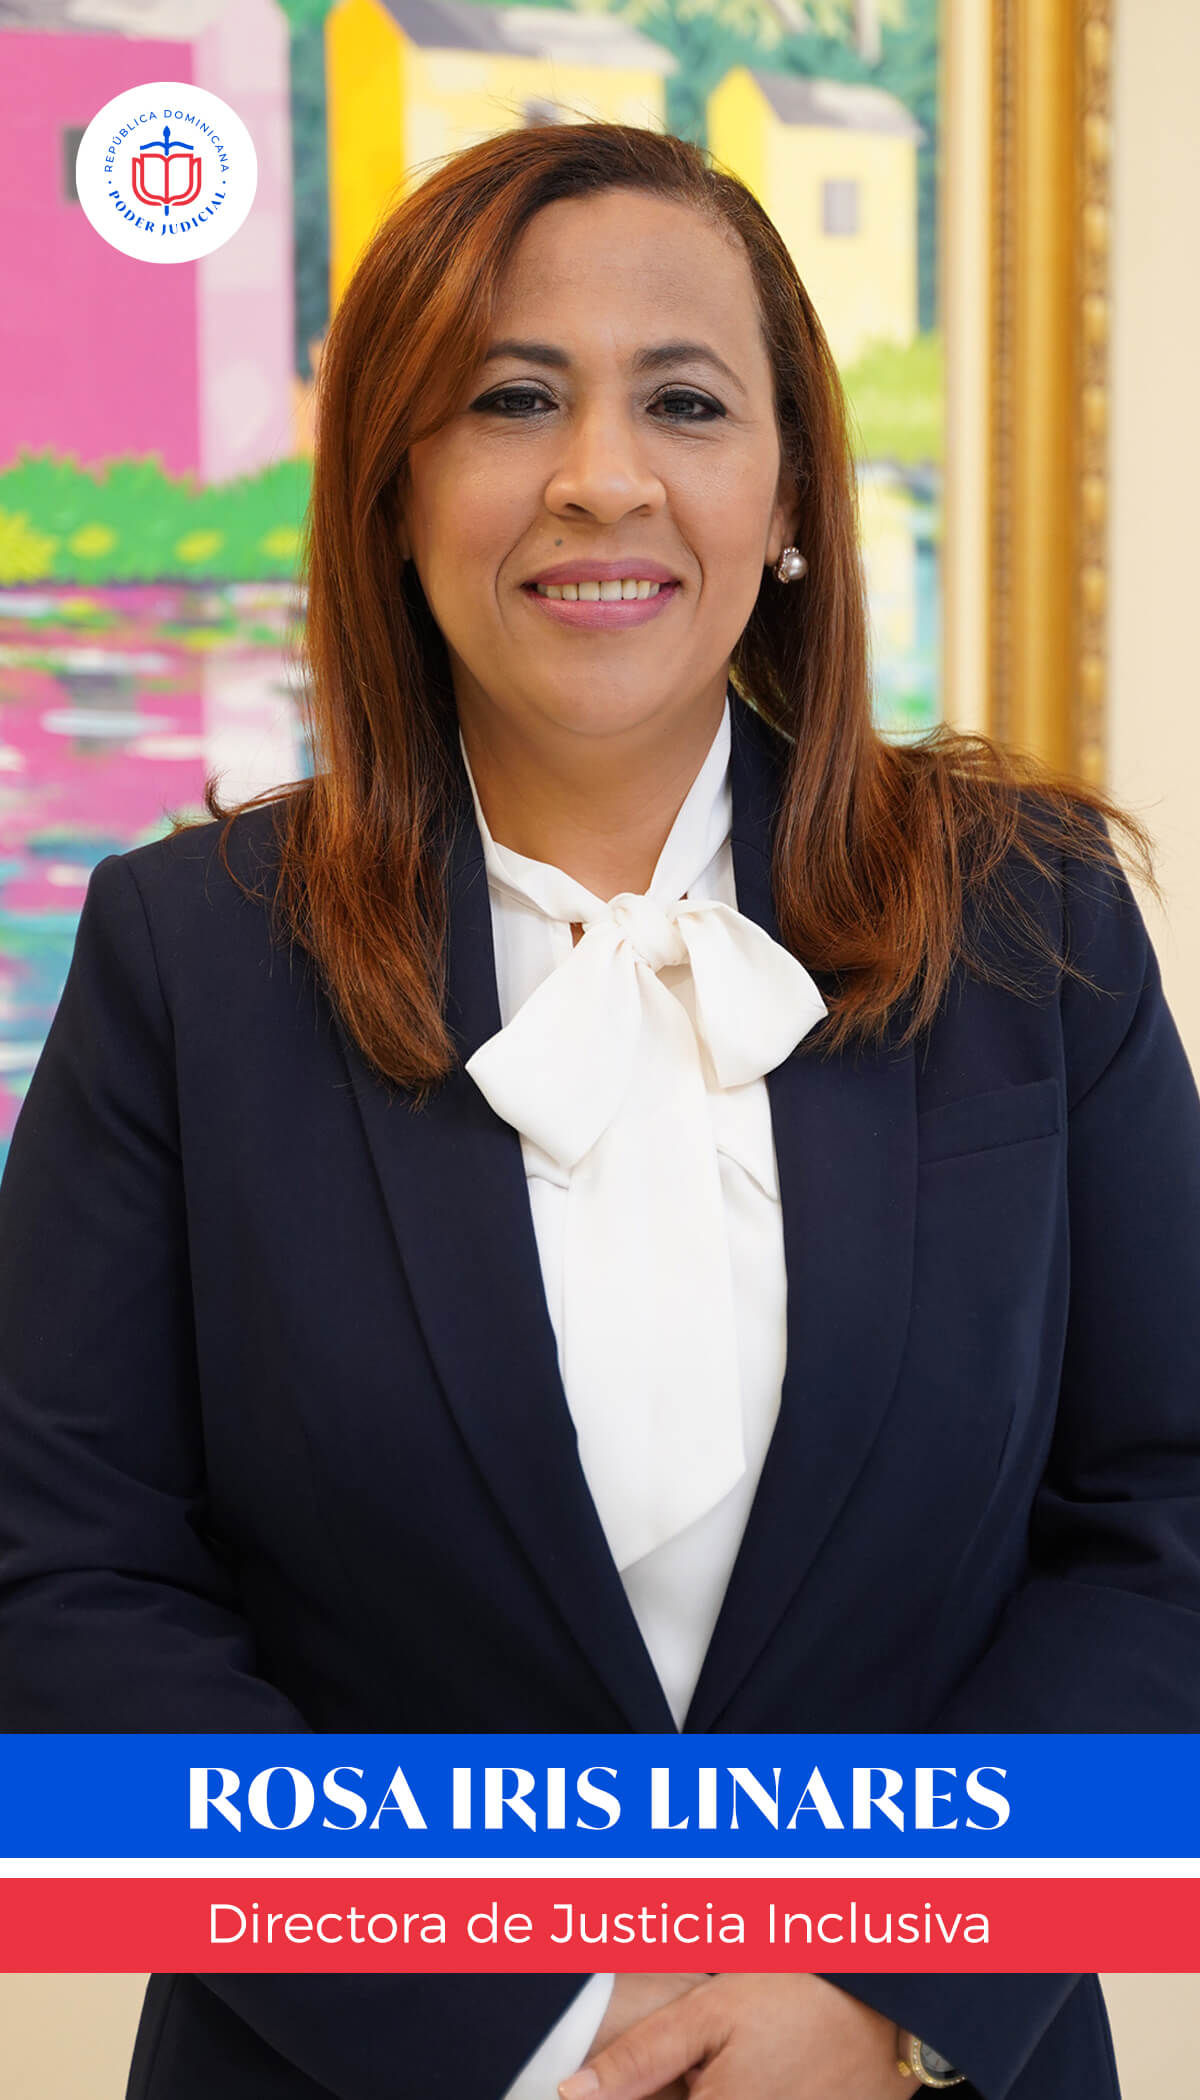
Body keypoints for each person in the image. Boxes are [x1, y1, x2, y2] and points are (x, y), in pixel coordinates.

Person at [1, 120, 1198, 2100]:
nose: (603, 477)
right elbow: (62, 1580)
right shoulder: (185, 958)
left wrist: (885, 1986)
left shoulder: (1031, 922)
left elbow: (1166, 1519)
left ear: (789, 490)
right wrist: (543, 2021)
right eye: (512, 399)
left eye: (686, 402)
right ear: (394, 487)